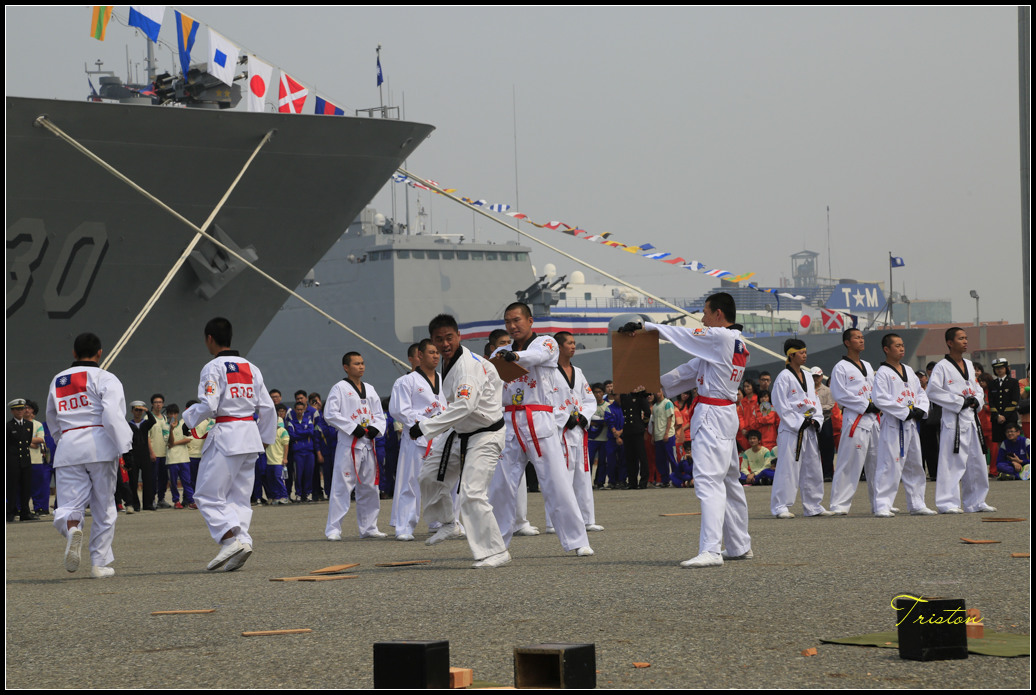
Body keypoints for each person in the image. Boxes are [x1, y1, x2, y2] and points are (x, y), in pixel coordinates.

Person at [629, 291, 753, 567]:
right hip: (724, 413)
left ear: (718, 314)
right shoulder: (736, 343)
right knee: (729, 481)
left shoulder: (720, 337)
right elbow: (689, 371)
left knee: (708, 481)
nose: (703, 320)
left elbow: (684, 335)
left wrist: (647, 327)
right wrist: (653, 386)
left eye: (705, 314)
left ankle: (711, 550)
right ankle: (739, 544)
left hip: (712, 414)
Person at [488, 302, 593, 558]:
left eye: (517, 320)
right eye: (508, 322)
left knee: (557, 482)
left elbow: (535, 357)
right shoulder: (500, 352)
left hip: (539, 420)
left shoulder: (546, 343)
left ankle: (577, 540)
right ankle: (494, 544)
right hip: (509, 420)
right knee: (501, 485)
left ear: (530, 320)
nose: (512, 326)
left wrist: (514, 358)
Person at [412, 314, 510, 567]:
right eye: (439, 340)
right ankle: (448, 522)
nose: (445, 344)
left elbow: (466, 405)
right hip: (460, 432)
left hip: (486, 434)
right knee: (429, 476)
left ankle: (496, 551)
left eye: (449, 338)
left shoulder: (467, 367)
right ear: (432, 341)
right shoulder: (449, 362)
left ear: (459, 336)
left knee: (471, 493)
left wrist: (424, 427)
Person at [183, 317, 276, 571]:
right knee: (239, 497)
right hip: (250, 435)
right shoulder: (251, 368)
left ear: (209, 339)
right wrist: (265, 439)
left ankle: (228, 540)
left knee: (206, 494)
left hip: (227, 434)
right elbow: (268, 407)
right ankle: (242, 541)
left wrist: (188, 419)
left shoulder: (213, 367)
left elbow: (209, 404)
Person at [45, 333, 133, 577]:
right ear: (100, 353)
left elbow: (52, 417)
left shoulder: (59, 380)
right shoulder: (106, 378)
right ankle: (99, 563)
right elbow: (112, 416)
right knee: (104, 507)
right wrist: (125, 447)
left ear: (74, 353)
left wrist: (62, 440)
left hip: (69, 446)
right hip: (100, 446)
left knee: (69, 504)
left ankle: (72, 530)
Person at [925, 327, 996, 514]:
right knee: (951, 462)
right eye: (961, 338)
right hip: (953, 420)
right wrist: (959, 401)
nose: (965, 341)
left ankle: (976, 501)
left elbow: (977, 388)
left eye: (966, 338)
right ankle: (947, 502)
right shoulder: (942, 366)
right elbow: (932, 391)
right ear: (950, 343)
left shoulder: (969, 364)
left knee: (977, 461)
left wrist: (977, 400)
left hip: (971, 419)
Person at [323, 352, 387, 540]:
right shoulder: (339, 388)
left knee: (370, 487)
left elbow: (379, 414)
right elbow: (330, 414)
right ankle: (333, 529)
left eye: (362, 363)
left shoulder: (370, 389)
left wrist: (376, 428)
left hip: (368, 444)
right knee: (341, 486)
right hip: (348, 444)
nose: (361, 366)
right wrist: (352, 428)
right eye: (357, 364)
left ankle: (369, 528)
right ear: (346, 367)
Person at [871, 333, 936, 517]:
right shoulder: (883, 373)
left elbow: (921, 393)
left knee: (915, 464)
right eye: (897, 345)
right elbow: (880, 398)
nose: (901, 348)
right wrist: (904, 411)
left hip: (911, 425)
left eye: (902, 345)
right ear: (886, 349)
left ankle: (917, 503)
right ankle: (882, 505)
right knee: (889, 464)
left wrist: (920, 409)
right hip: (893, 424)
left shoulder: (908, 370)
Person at [389, 339, 446, 541]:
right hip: (417, 437)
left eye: (437, 352)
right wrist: (424, 422)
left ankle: (440, 521)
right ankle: (404, 526)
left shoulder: (444, 379)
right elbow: (399, 409)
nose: (436, 356)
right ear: (420, 355)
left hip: (441, 437)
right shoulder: (406, 381)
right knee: (411, 482)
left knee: (442, 481)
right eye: (431, 352)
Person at [546, 331, 603, 532]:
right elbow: (544, 401)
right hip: (560, 431)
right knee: (560, 477)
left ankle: (587, 519)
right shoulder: (548, 372)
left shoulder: (578, 372)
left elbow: (589, 399)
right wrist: (564, 418)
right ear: (559, 347)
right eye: (569, 343)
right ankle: (554, 522)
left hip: (578, 430)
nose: (573, 346)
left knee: (583, 474)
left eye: (573, 343)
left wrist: (583, 416)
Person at [769, 339, 832, 519]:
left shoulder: (808, 377)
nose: (805, 355)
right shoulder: (784, 377)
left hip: (810, 427)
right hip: (792, 429)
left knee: (813, 467)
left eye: (805, 352)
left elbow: (815, 401)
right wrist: (797, 421)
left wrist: (817, 419)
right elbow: (780, 403)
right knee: (787, 468)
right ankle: (780, 506)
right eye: (801, 352)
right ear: (791, 354)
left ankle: (813, 505)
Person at [827, 328, 881, 515]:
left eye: (862, 337)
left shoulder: (867, 365)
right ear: (847, 342)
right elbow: (839, 394)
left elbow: (874, 389)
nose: (861, 340)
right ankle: (839, 505)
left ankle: (880, 503)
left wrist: (876, 404)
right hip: (855, 419)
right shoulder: (841, 367)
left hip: (874, 420)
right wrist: (865, 405)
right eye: (857, 338)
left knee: (877, 463)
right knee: (849, 463)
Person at [7, 398, 37, 522]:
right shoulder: (8, 426)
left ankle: (25, 512)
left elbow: (27, 442)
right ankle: (10, 512)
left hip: (25, 460)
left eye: (22, 409)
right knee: (12, 488)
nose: (20, 411)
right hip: (12, 461)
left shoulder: (29, 425)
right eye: (17, 409)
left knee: (26, 487)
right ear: (12, 411)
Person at [164, 404, 194, 509]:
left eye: (174, 413)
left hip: (184, 458)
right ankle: (176, 501)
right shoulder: (165, 426)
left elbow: (188, 439)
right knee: (173, 482)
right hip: (172, 459)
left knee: (187, 481)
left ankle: (191, 501)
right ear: (167, 414)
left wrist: (174, 444)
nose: (173, 415)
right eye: (170, 413)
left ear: (177, 414)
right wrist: (171, 430)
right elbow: (169, 441)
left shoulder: (184, 424)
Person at [148, 393, 170, 509]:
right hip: (154, 454)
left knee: (164, 478)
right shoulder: (148, 418)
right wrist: (151, 452)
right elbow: (147, 437)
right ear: (152, 404)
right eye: (156, 402)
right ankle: (151, 499)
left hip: (165, 454)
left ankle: (161, 499)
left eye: (160, 402)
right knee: (153, 478)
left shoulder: (165, 418)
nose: (158, 405)